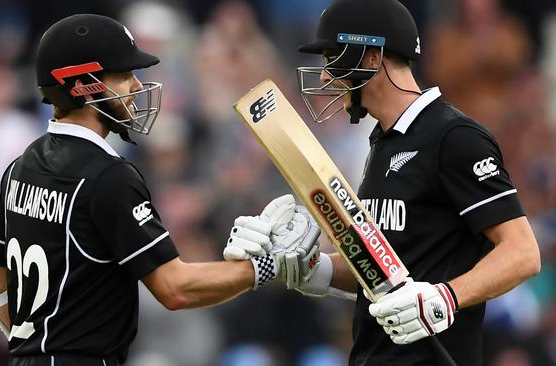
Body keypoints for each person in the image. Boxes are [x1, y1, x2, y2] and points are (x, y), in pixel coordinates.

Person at [0, 14, 320, 366]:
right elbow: (175, 288)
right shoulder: (108, 176)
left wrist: (34, 346)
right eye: (123, 75)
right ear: (83, 85)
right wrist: (266, 267)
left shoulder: (20, 167)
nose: (136, 85)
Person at [227, 0, 541, 365]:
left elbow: (522, 253)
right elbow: (387, 270)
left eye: (334, 57)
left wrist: (445, 297)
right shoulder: (384, 142)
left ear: (373, 59)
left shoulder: (454, 136)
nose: (326, 76)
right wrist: (312, 268)